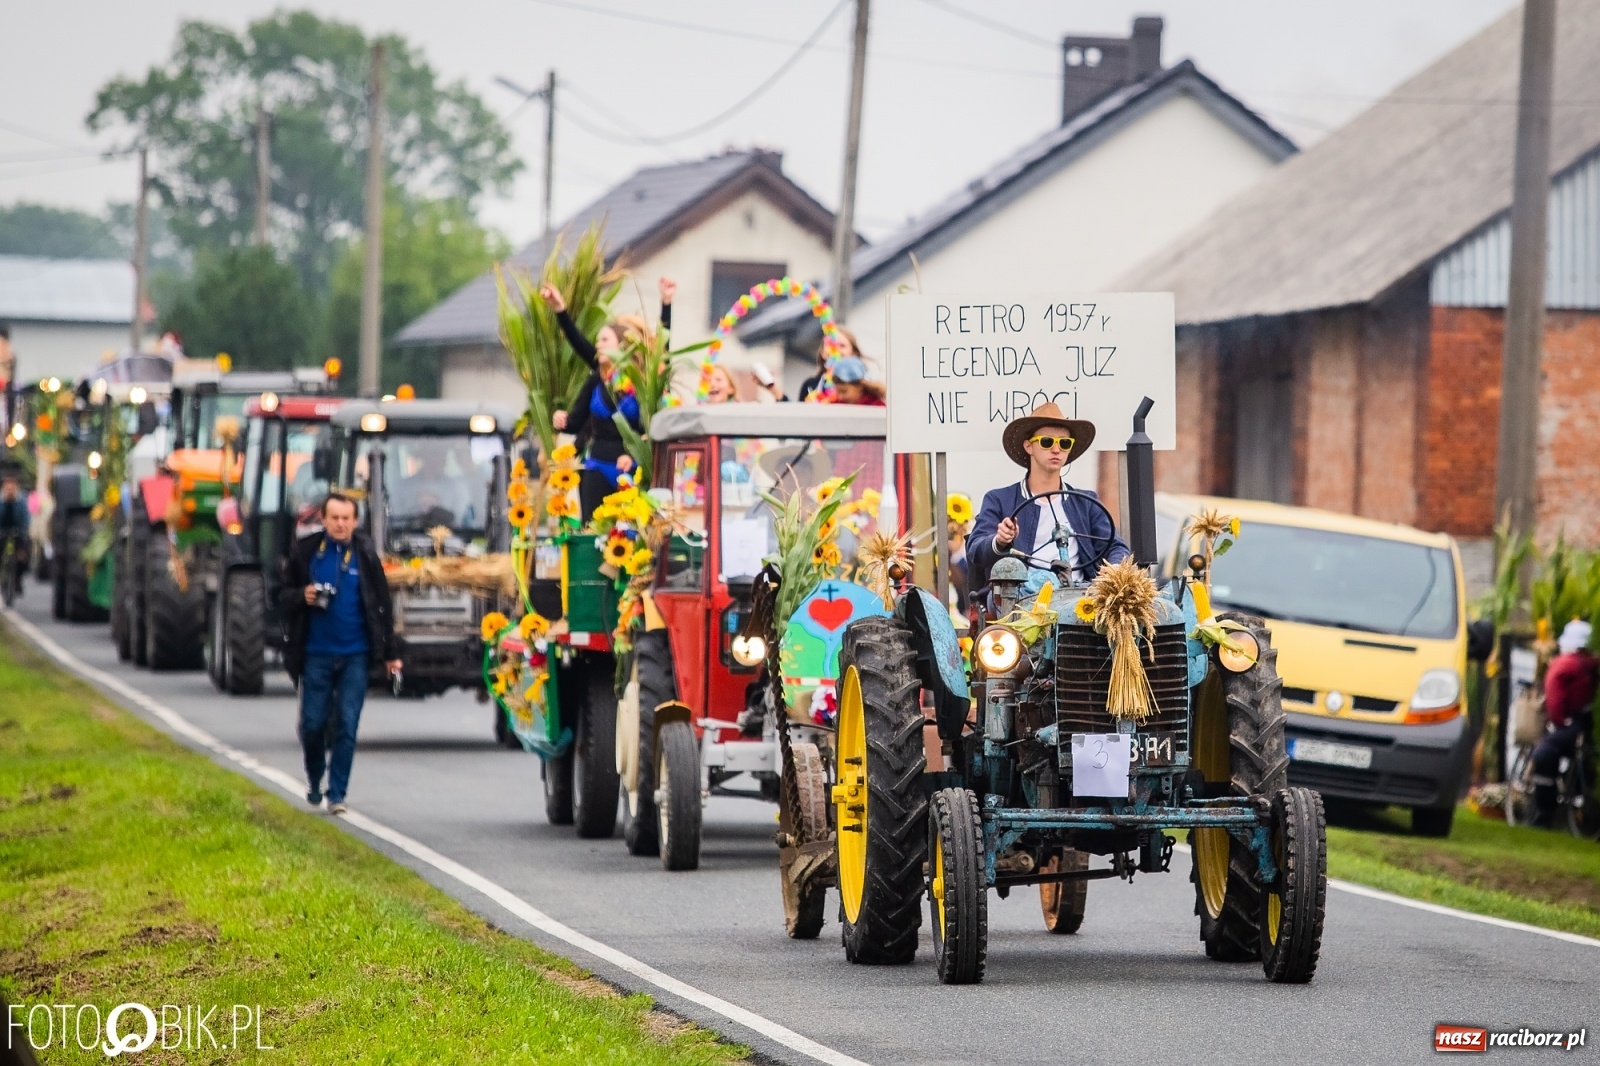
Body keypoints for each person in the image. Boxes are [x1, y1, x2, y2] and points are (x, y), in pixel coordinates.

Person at [280, 493, 402, 815]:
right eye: (334, 518)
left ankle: (337, 794)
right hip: (315, 653)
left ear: (356, 522)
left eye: (346, 518)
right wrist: (301, 596)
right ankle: (315, 776)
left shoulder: (365, 555)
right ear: (323, 519)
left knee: (347, 724)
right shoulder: (306, 553)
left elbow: (383, 605)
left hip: (355, 655)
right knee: (312, 724)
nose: (340, 524)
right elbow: (279, 595)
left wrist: (391, 652)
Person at [541, 277, 674, 517]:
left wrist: (666, 304)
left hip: (634, 468)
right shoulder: (599, 378)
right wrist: (560, 419)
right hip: (597, 467)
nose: (598, 345)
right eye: (597, 341)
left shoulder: (645, 383)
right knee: (593, 531)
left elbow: (662, 351)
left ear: (622, 346)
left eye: (604, 340)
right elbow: (572, 423)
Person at [966, 402, 1130, 596]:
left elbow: (1116, 547)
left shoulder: (1086, 502)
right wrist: (1000, 541)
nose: (1056, 449)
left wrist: (1114, 575)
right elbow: (975, 550)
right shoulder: (999, 500)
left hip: (1082, 598)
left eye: (1064, 443)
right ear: (1029, 446)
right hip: (1021, 599)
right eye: (1046, 442)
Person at [1531, 619, 1598, 828]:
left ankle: (1543, 812)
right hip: (1587, 722)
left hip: (1571, 723)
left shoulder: (1564, 664)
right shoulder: (1590, 664)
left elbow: (1555, 698)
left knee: (1544, 754)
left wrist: (1561, 721)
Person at [391, 439, 472, 527]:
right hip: (407, 538)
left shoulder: (457, 488)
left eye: (442, 454)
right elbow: (395, 521)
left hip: (449, 539)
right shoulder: (402, 487)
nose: (441, 459)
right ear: (424, 456)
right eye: (434, 454)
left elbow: (460, 522)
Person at [798, 326, 862, 402]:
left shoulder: (861, 385)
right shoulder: (810, 384)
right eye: (831, 345)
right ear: (822, 353)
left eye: (842, 346)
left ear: (854, 353)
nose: (836, 350)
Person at [0, 472, 27, 595]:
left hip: (18, 531)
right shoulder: (1, 501)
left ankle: (17, 580)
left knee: (22, 555)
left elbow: (25, 519)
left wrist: (23, 531)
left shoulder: (21, 501)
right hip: (2, 530)